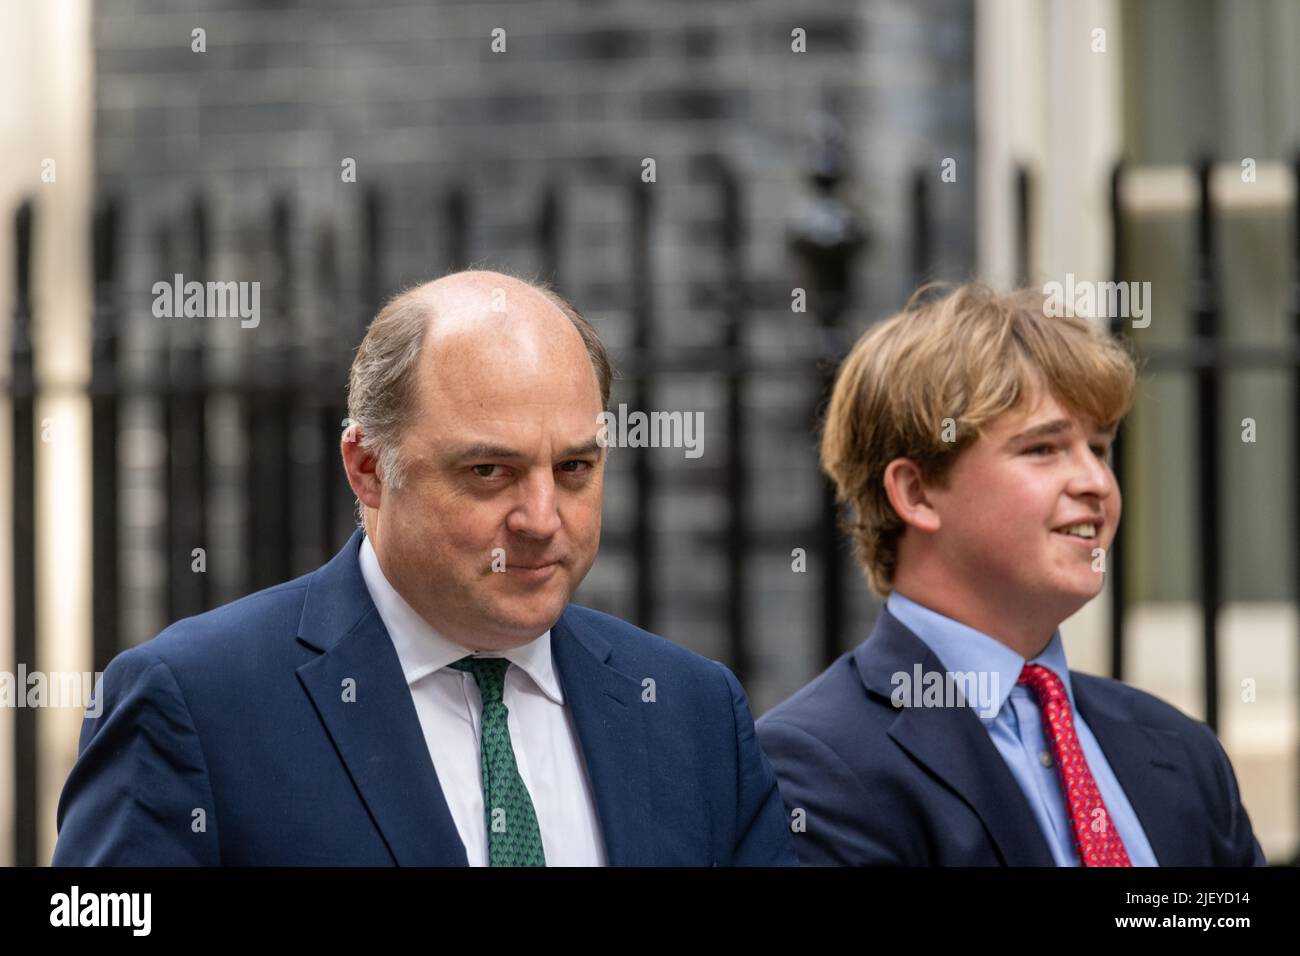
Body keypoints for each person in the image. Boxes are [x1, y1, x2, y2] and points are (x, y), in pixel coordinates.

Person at [53, 269, 795, 866]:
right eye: (488, 471)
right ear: (368, 467)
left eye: (574, 467)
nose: (542, 519)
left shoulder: (691, 712)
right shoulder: (196, 704)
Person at [756, 283, 1266, 866]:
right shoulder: (815, 765)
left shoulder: (1181, 749)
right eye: (1043, 450)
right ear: (917, 493)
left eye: (1099, 448)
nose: (1095, 483)